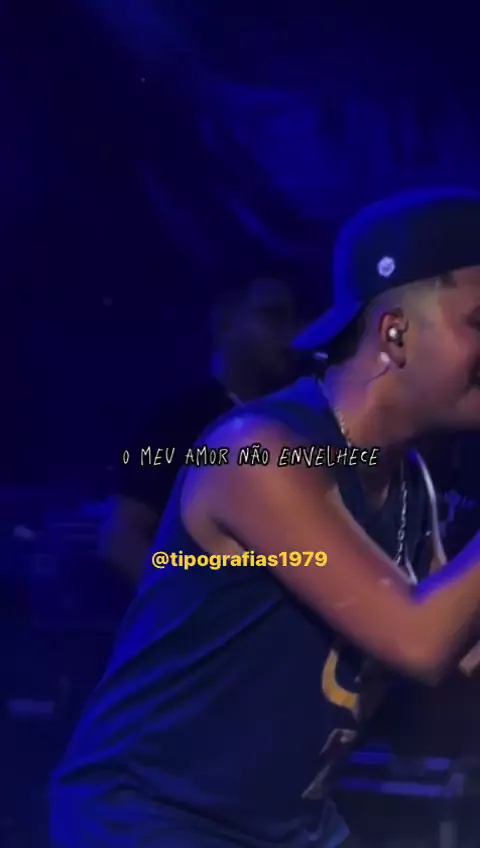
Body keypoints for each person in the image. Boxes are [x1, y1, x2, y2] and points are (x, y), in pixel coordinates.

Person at [51, 188, 480, 848]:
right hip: (150, 821)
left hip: (286, 830)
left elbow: (446, 686)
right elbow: (419, 641)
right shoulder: (258, 451)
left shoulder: (410, 482)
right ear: (394, 331)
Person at [99, 276, 304, 584]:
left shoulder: (300, 419)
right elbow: (121, 537)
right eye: (272, 317)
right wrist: (182, 603)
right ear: (225, 325)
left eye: (292, 320)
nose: (290, 335)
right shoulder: (176, 425)